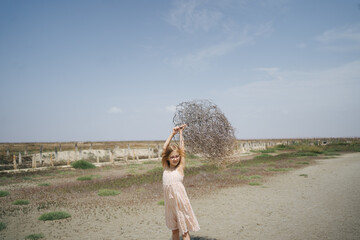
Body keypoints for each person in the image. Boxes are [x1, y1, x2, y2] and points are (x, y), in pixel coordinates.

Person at [162, 124, 200, 240]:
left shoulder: (180, 168)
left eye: (177, 156)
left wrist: (181, 133)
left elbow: (182, 149)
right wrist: (173, 133)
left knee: (184, 231)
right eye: (172, 157)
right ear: (168, 158)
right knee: (174, 230)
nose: (175, 159)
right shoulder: (166, 168)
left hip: (180, 203)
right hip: (170, 204)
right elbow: (164, 149)